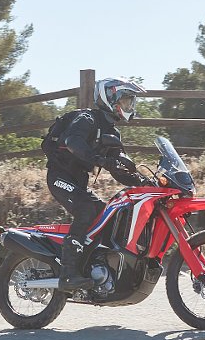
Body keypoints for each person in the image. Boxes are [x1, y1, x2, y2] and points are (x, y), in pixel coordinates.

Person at [42, 77, 150, 291]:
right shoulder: (86, 118)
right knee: (86, 210)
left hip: (78, 183)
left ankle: (91, 266)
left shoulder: (113, 133)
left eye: (131, 102)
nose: (130, 106)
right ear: (110, 98)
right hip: (60, 177)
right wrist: (100, 160)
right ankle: (68, 274)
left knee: (106, 214)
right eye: (126, 101)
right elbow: (73, 143)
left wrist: (143, 182)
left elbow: (118, 168)